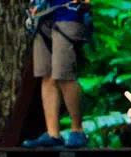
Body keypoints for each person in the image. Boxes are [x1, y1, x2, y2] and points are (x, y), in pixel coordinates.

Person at [23, 0, 88, 149]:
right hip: (42, 15)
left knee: (64, 74)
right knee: (47, 75)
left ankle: (77, 130)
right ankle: (53, 133)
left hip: (68, 12)